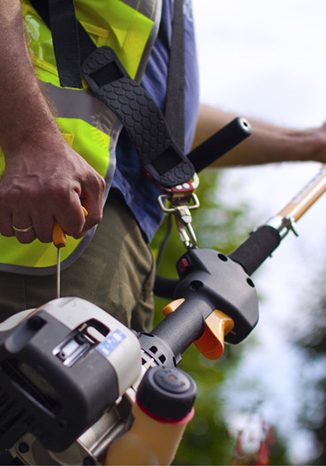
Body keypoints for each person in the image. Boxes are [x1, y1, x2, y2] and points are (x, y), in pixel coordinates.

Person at [0, 0, 325, 334]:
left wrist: (309, 143)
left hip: (112, 241)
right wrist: (30, 140)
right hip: (47, 221)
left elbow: (151, 124)